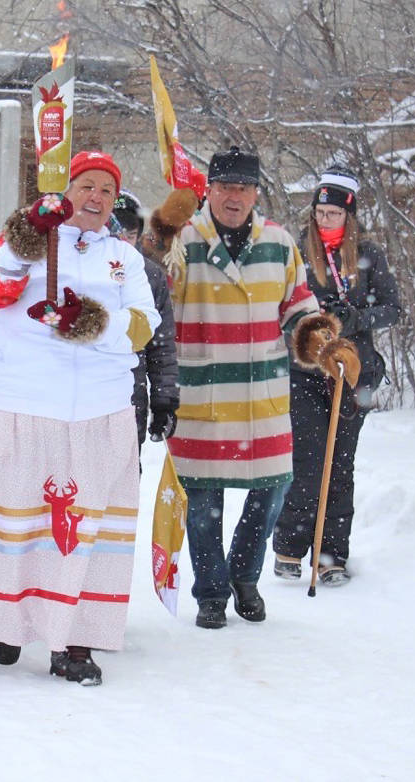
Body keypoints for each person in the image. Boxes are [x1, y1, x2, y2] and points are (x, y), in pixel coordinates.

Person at [0, 151, 161, 686]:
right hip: (24, 404)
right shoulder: (25, 241)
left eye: (106, 192)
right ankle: (5, 618)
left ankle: (74, 641)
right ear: (65, 190)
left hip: (99, 409)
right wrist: (28, 238)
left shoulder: (125, 258)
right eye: (86, 186)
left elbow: (143, 326)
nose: (95, 198)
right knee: (17, 522)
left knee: (82, 532)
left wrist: (91, 322)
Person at [152, 146, 319, 630]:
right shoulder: (184, 240)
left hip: (262, 394)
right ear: (210, 190)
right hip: (202, 393)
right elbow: (150, 284)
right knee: (202, 502)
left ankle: (246, 576)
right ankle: (211, 593)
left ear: (256, 193)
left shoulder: (280, 242)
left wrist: (321, 340)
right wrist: (162, 227)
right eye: (225, 186)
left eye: (244, 187)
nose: (234, 196)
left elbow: (298, 305)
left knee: (272, 490)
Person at [272, 166, 401, 585]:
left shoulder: (368, 254)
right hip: (306, 370)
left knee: (340, 465)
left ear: (348, 216)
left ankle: (331, 555)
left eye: (332, 213)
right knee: (308, 461)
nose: (324, 219)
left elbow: (392, 308)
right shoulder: (296, 251)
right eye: (319, 212)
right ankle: (290, 546)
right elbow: (280, 307)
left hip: (352, 372)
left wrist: (356, 316)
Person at [113, 190, 182, 452]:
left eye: (129, 235)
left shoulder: (149, 275)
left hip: (132, 395)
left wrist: (164, 400)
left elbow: (161, 345)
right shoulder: (83, 267)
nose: (121, 241)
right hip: (85, 396)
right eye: (116, 233)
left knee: (126, 477)